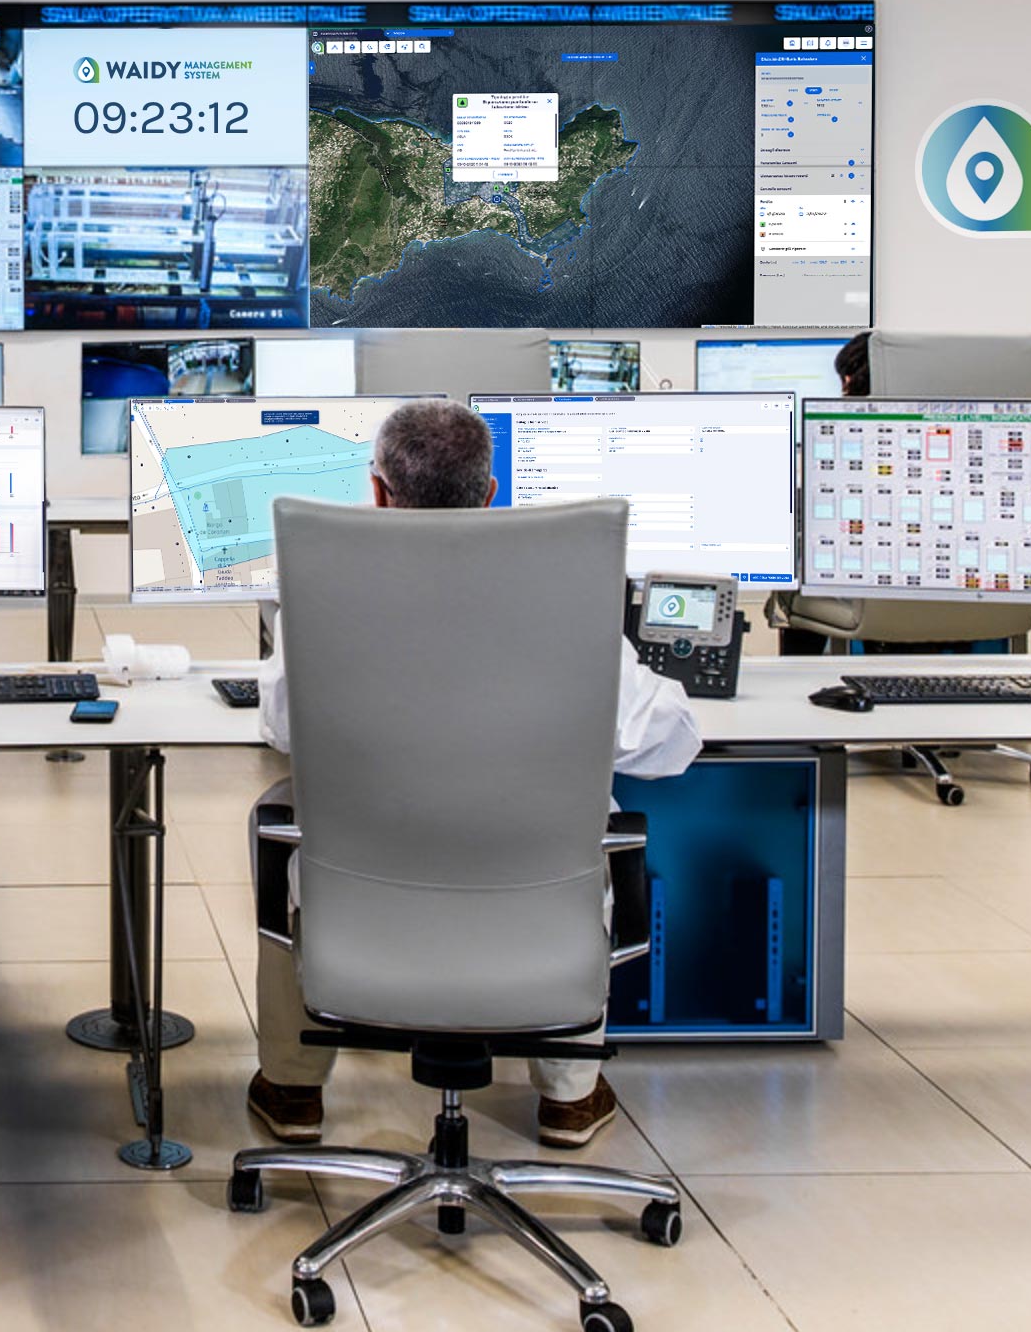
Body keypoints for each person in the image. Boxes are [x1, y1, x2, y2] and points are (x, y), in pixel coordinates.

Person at [242, 396, 701, 1156]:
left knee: (285, 809)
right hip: (522, 888)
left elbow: (284, 727)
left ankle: (294, 1087)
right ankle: (568, 1096)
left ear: (380, 491)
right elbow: (670, 742)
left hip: (374, 892)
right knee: (593, 807)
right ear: (491, 494)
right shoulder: (563, 593)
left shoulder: (327, 591)